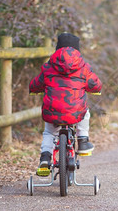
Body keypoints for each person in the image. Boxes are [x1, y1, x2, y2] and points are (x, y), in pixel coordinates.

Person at [29, 33, 102, 176]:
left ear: (57, 48)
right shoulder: (83, 67)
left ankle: (45, 158)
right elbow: (94, 83)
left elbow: (36, 83)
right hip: (75, 112)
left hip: (53, 111)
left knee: (49, 132)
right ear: (77, 49)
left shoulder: (49, 66)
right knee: (85, 112)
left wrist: (33, 90)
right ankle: (83, 140)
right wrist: (96, 89)